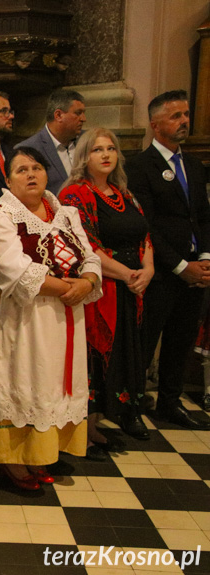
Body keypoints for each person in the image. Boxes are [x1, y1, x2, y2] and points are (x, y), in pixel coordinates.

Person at [0, 146, 101, 489]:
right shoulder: (2, 216)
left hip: (66, 315)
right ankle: (16, 459)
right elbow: (15, 269)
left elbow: (90, 256)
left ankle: (46, 452)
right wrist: (69, 287)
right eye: (21, 170)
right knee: (28, 378)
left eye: (36, 167)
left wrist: (88, 281)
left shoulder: (66, 213)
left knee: (55, 382)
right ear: (8, 180)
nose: (31, 174)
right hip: (27, 315)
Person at [60, 129, 155, 451]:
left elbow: (144, 234)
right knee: (95, 359)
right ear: (84, 157)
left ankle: (112, 417)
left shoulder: (123, 193)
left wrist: (149, 269)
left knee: (125, 354)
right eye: (97, 149)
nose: (105, 154)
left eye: (111, 148)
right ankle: (84, 428)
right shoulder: (75, 194)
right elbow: (85, 245)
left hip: (132, 286)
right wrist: (128, 273)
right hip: (101, 288)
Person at [126, 90, 210, 430]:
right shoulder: (139, 166)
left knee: (181, 339)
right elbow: (147, 223)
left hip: (195, 269)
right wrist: (179, 266)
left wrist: (204, 259)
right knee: (146, 341)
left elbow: (203, 217)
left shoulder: (193, 165)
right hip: (160, 271)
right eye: (176, 116)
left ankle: (170, 402)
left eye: (186, 115)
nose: (184, 122)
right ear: (155, 123)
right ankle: (131, 404)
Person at [16, 89, 86, 194]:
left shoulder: (88, 141)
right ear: (58, 115)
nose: (83, 119)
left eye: (83, 113)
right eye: (78, 113)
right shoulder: (28, 149)